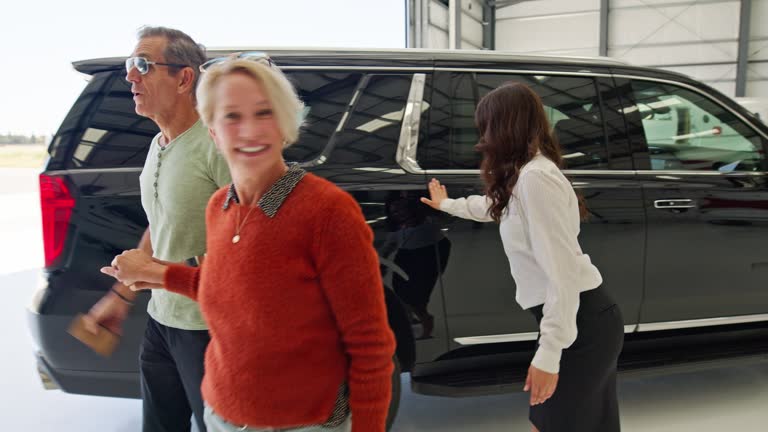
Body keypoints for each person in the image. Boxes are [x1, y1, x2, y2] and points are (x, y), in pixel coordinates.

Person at [100, 53, 397, 432]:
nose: (249, 131)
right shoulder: (219, 206)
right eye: (231, 116)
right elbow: (231, 289)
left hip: (304, 424)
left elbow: (370, 345)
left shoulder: (327, 211)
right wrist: (161, 277)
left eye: (264, 113)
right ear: (212, 132)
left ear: (286, 123)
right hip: (222, 415)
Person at [420, 82, 624, 432]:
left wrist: (549, 353)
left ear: (503, 127)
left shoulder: (535, 180)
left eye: (486, 127)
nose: (482, 138)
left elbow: (560, 273)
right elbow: (494, 208)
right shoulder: (527, 176)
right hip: (579, 322)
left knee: (548, 425)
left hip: (582, 327)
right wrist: (447, 205)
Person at [83, 26, 231, 432]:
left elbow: (252, 247)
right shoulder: (159, 144)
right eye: (131, 65)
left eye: (143, 65)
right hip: (162, 322)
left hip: (210, 331)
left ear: (185, 78)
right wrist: (120, 293)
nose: (131, 76)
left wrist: (157, 274)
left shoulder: (218, 148)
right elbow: (162, 221)